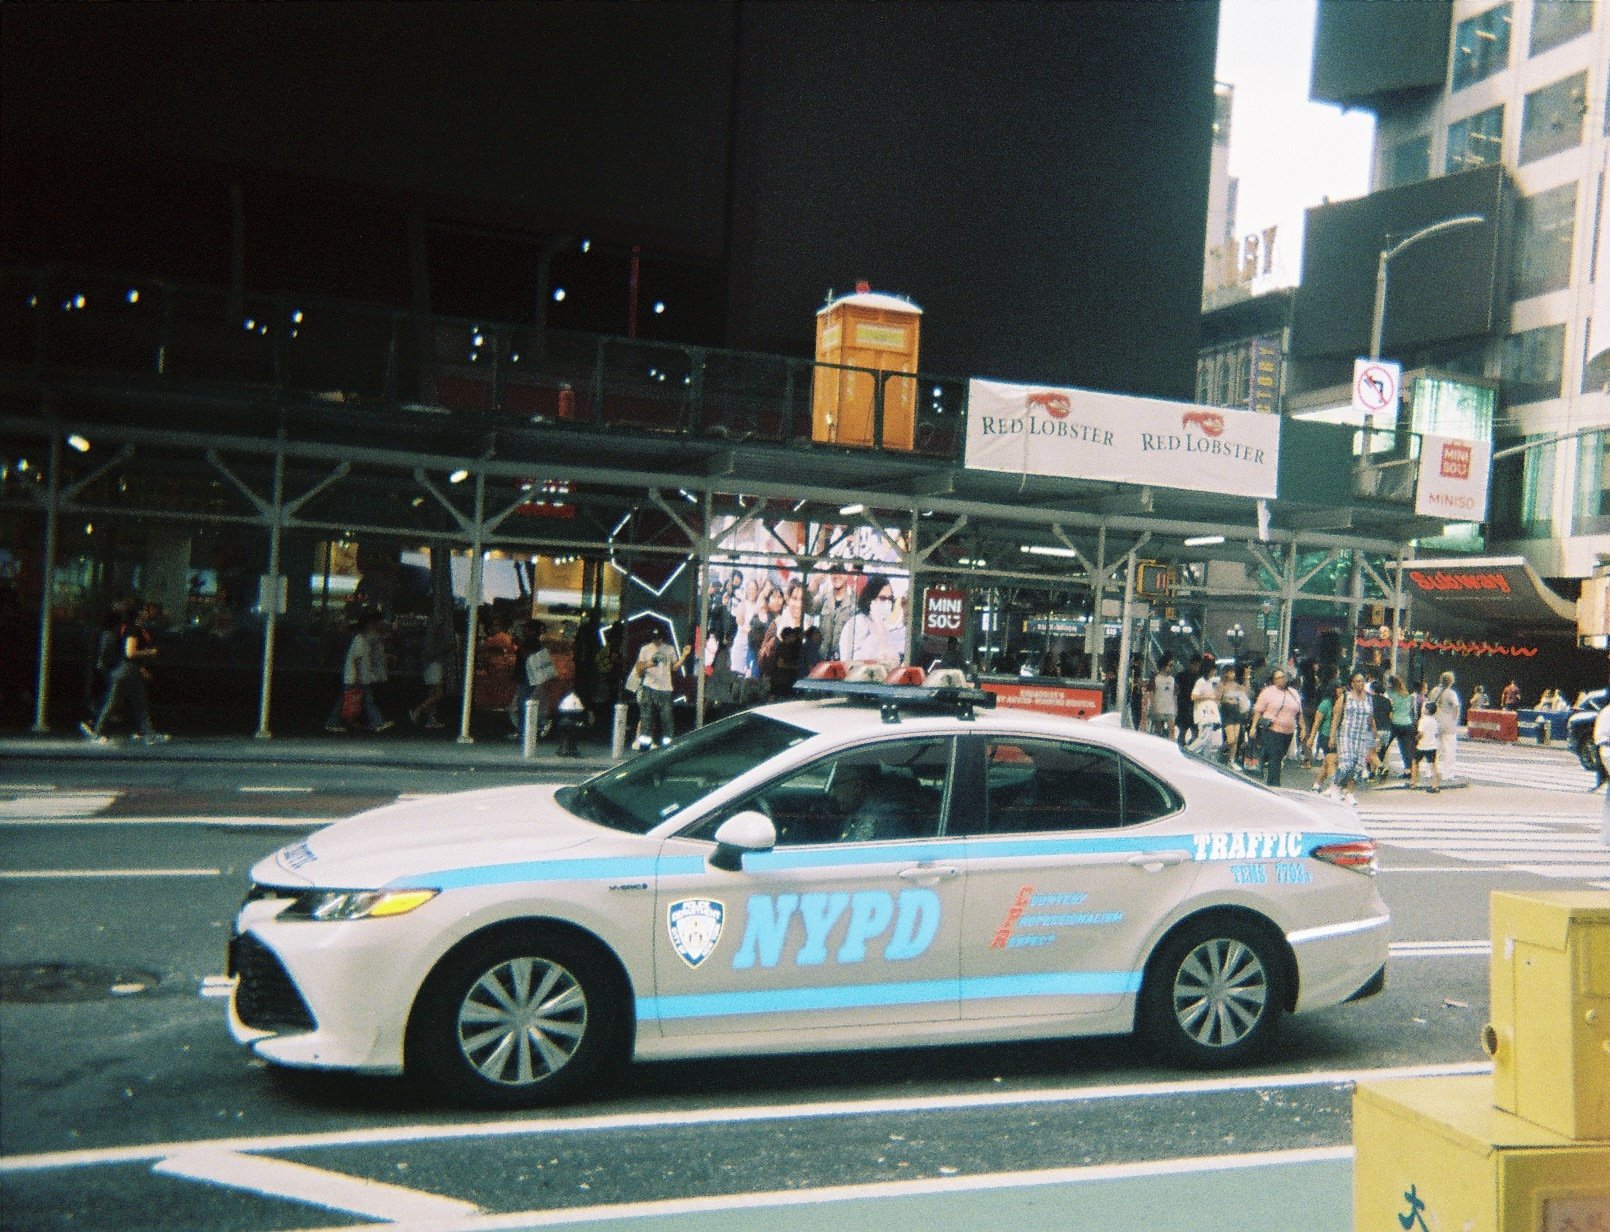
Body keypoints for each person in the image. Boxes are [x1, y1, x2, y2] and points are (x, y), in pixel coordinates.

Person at [82, 599, 169, 743]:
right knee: (113, 704)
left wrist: (141, 668)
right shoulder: (133, 630)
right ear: (139, 614)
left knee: (139, 704)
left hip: (130, 671)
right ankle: (97, 733)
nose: (150, 614)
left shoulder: (137, 629)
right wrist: (150, 652)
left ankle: (149, 734)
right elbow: (130, 652)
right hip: (126, 672)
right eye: (147, 610)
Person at [325, 610, 392, 733]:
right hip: (355, 677)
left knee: (347, 700)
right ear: (367, 625)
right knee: (361, 700)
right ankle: (377, 722)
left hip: (356, 676)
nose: (375, 626)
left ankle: (334, 722)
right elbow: (357, 659)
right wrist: (358, 677)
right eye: (373, 624)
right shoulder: (360, 640)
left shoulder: (362, 639)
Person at [632, 625, 690, 749]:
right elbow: (638, 668)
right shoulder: (645, 649)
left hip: (665, 688)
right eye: (654, 638)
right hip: (649, 687)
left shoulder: (669, 649)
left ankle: (667, 745)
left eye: (658, 638)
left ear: (662, 638)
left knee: (667, 719)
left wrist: (684, 656)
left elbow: (674, 667)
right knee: (646, 717)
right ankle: (644, 744)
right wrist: (649, 664)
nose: (657, 641)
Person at [1250, 666, 1304, 788]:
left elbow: (1299, 712)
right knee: (1275, 758)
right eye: (1278, 678)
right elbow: (1258, 711)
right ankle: (1274, 784)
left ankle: (1271, 780)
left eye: (1283, 677)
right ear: (1274, 680)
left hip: (1288, 731)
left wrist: (1303, 728)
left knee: (1279, 757)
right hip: (1272, 730)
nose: (1281, 680)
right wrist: (1253, 727)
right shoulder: (1268, 692)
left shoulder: (1293, 693)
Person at [1329, 672, 1377, 807]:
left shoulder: (1368, 698)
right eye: (1357, 681)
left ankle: (1350, 792)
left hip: (1361, 735)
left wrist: (1375, 734)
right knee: (1346, 764)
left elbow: (1371, 717)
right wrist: (1332, 736)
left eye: (1362, 681)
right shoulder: (1345, 698)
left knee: (1357, 766)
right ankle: (1336, 785)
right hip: (1346, 734)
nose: (1360, 684)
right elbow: (1336, 717)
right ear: (1352, 683)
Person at [409, 614, 456, 729]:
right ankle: (418, 710)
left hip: (431, 666)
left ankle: (431, 719)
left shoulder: (429, 637)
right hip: (434, 666)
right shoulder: (433, 639)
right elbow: (431, 653)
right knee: (439, 693)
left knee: (432, 693)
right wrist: (446, 648)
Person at [1309, 680, 1344, 795]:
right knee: (1332, 760)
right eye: (1337, 687)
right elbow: (1317, 722)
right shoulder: (1326, 703)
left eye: (1341, 687)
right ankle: (1333, 785)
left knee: (1327, 762)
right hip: (1326, 736)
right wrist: (1312, 738)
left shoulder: (1342, 703)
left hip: (1338, 737)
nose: (1340, 690)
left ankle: (1316, 785)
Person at [1428, 670, 1462, 780]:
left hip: (1434, 722)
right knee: (1449, 749)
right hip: (1448, 724)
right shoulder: (1451, 693)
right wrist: (1455, 721)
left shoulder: (1434, 691)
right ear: (1451, 681)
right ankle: (1447, 774)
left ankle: (1430, 771)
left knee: (1433, 748)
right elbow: (1456, 707)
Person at [1188, 661, 1223, 757]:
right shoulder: (1201, 682)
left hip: (1210, 713)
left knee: (1209, 740)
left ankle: (1206, 758)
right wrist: (1207, 697)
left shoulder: (1210, 682)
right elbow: (1193, 696)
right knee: (1204, 737)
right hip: (1203, 713)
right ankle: (1188, 751)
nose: (1214, 672)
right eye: (1213, 670)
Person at [1385, 675, 1416, 781]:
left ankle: (1378, 768)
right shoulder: (1407, 695)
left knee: (1384, 746)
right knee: (1406, 749)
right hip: (1407, 723)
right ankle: (1409, 771)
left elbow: (1391, 708)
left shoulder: (1391, 694)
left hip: (1394, 723)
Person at [1220, 665, 1251, 766]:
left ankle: (1231, 760)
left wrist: (1247, 677)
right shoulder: (1222, 685)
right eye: (1230, 672)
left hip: (1236, 712)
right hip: (1227, 712)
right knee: (1231, 739)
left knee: (1236, 740)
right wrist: (1226, 700)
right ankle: (1219, 751)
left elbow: (1247, 691)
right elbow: (1217, 699)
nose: (1232, 674)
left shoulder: (1236, 685)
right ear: (1225, 673)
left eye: (1233, 672)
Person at [1412, 701, 1442, 793]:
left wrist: (1415, 738)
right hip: (1433, 745)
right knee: (1433, 765)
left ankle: (1414, 782)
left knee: (1415, 762)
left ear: (1428, 710)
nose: (1423, 709)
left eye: (1425, 708)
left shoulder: (1423, 720)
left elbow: (1420, 733)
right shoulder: (1435, 721)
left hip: (1422, 746)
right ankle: (1435, 785)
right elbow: (1437, 734)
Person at [1147, 655, 1177, 738]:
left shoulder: (1172, 679)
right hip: (1159, 709)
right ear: (1163, 666)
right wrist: (1154, 707)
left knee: (1171, 731)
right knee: (1157, 732)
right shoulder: (1155, 678)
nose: (1171, 668)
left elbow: (1174, 695)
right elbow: (1151, 693)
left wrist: (1175, 709)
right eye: (1170, 666)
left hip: (1170, 710)